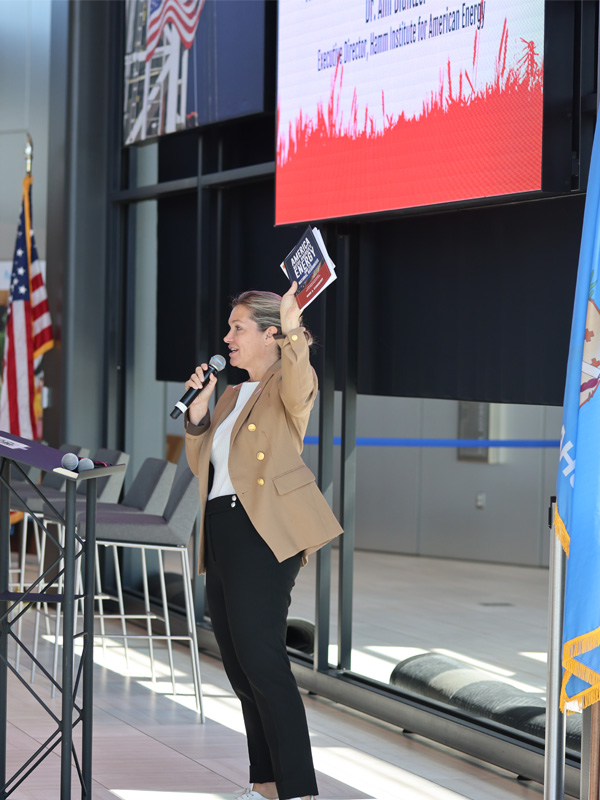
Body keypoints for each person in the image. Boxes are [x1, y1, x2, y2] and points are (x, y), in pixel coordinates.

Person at [183, 281, 343, 800]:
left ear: (270, 335)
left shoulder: (290, 383)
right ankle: (267, 784)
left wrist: (295, 329)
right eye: (229, 328)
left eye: (238, 328)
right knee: (239, 664)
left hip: (263, 532)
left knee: (264, 659)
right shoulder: (230, 394)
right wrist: (198, 413)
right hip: (223, 528)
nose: (227, 337)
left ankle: (299, 790)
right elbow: (201, 465)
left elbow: (299, 378)